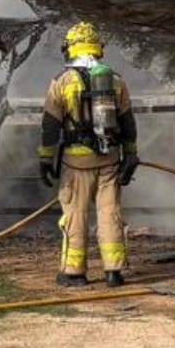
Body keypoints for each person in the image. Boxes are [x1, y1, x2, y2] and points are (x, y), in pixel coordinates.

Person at [38, 22, 139, 288]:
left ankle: (74, 273)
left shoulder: (61, 83)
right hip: (109, 161)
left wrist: (46, 159)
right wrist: (131, 155)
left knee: (75, 215)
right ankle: (114, 271)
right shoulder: (115, 81)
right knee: (110, 214)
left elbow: (50, 125)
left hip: (76, 163)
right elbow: (128, 123)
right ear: (98, 48)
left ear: (70, 49)